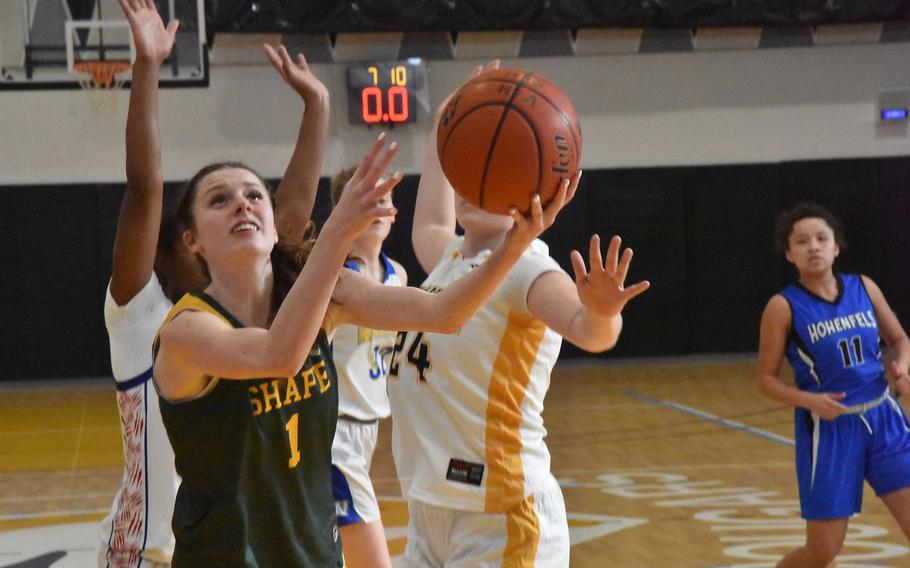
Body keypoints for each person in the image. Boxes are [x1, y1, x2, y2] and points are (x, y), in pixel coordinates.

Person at [151, 130, 573, 567]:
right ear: (192, 240)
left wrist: (513, 247)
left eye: (255, 195)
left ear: (275, 224)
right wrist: (338, 232)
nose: (242, 204)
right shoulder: (188, 330)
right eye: (219, 200)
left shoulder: (326, 294)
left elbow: (445, 313)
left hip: (315, 552)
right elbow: (278, 357)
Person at [388, 62, 650, 567]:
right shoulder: (449, 259)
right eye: (464, 172)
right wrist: (449, 115)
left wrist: (601, 311)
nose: (468, 184)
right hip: (431, 508)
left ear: (529, 191)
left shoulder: (526, 270)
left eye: (487, 171)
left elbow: (589, 332)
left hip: (500, 512)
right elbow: (433, 217)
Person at [99, 0, 329, 565]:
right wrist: (147, 66)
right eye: (215, 204)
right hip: (145, 552)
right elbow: (143, 189)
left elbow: (290, 218)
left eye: (248, 201)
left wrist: (319, 106)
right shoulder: (139, 313)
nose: (241, 213)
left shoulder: (245, 298)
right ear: (185, 238)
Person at [755, 202, 910, 567]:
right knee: (823, 552)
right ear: (789, 254)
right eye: (802, 241)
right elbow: (764, 380)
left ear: (836, 246)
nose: (813, 247)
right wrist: (809, 400)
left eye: (821, 238)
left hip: (884, 419)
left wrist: (902, 365)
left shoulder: (863, 287)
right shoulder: (783, 306)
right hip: (830, 431)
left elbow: (900, 339)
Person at [328, 167, 404, 568]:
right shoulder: (337, 279)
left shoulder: (398, 276)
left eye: (384, 200)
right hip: (334, 433)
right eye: (366, 199)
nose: (378, 208)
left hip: (368, 430)